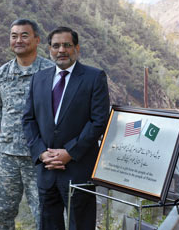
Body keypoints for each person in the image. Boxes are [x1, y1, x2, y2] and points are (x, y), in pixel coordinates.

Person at [22, 26, 110, 230]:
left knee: (81, 225)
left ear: (77, 48)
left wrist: (70, 152)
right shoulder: (39, 78)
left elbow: (98, 120)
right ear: (49, 49)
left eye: (66, 45)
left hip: (78, 170)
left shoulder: (94, 77)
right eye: (56, 46)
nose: (61, 50)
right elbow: (28, 120)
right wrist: (41, 153)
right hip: (46, 170)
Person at [0, 18, 55, 230]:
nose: (18, 40)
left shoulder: (51, 72)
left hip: (40, 157)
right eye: (14, 35)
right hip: (7, 156)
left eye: (24, 35)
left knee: (44, 215)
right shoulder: (1, 74)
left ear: (36, 40)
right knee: (1, 213)